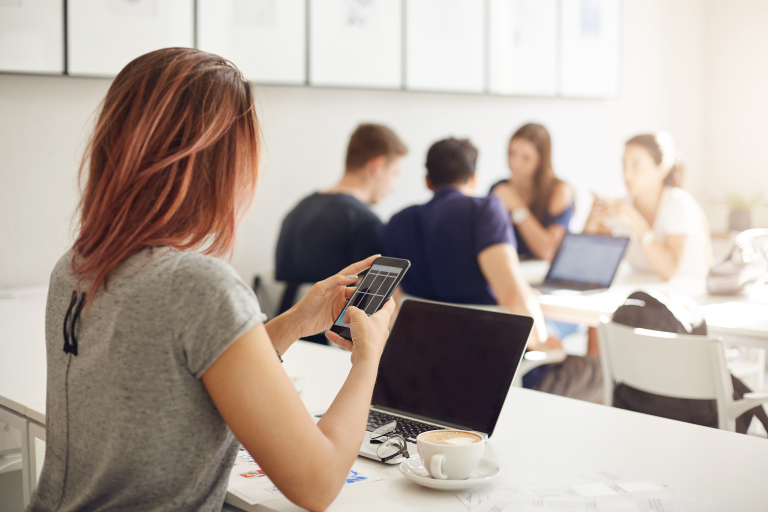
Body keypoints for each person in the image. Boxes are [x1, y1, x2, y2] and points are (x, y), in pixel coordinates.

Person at [29, 48, 394, 512]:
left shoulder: (78, 265)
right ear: (223, 161)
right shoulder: (198, 286)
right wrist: (369, 357)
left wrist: (293, 323)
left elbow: (187, 370)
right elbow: (318, 483)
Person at [382, 138, 602, 403]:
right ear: (473, 178)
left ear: (427, 180)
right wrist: (542, 342)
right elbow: (512, 295)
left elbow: (392, 310)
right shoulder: (483, 209)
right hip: (495, 374)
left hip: (432, 374)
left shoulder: (397, 222)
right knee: (602, 372)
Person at [275, 123, 407, 285]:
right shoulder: (365, 223)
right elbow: (368, 301)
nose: (393, 187)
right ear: (377, 166)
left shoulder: (299, 209)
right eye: (394, 174)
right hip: (334, 311)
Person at [583, 132, 711, 280]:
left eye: (636, 166)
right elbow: (585, 262)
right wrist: (593, 218)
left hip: (688, 294)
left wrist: (634, 222)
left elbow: (668, 271)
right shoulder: (622, 206)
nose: (626, 174)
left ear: (663, 169)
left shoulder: (679, 204)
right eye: (624, 164)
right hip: (643, 292)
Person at [491, 123, 574, 261]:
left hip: (541, 274)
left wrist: (517, 207)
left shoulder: (559, 191)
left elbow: (548, 252)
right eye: (512, 153)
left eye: (526, 158)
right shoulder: (499, 189)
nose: (515, 163)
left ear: (541, 160)